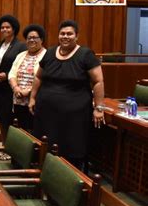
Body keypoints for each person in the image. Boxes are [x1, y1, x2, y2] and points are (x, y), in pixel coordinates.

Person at [29, 20, 105, 169]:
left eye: (69, 34)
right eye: (62, 33)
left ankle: (70, 178)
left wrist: (99, 108)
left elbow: (98, 81)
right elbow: (38, 77)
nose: (65, 36)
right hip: (47, 113)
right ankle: (45, 172)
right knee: (46, 145)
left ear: (76, 36)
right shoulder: (50, 52)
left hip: (74, 117)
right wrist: (32, 97)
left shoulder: (85, 54)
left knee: (71, 148)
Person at [0, 15, 26, 145]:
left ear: (14, 29)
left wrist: (6, 75)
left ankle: (11, 148)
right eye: (2, 27)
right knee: (1, 118)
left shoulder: (21, 46)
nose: (4, 29)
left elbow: (20, 65)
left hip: (11, 88)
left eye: (8, 27)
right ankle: (4, 146)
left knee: (10, 118)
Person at [8, 24, 47, 132]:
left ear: (42, 40)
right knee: (20, 130)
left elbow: (44, 78)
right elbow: (12, 74)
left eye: (35, 37)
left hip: (35, 100)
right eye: (29, 38)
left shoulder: (47, 55)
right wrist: (16, 88)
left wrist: (29, 91)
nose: (31, 40)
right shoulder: (21, 55)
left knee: (34, 131)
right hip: (18, 99)